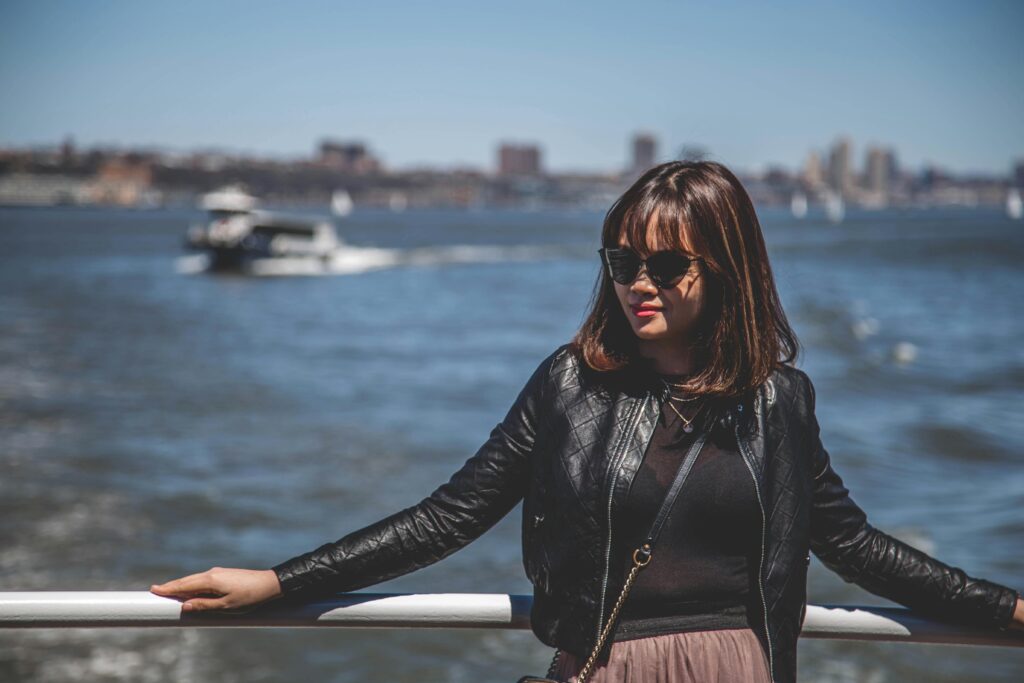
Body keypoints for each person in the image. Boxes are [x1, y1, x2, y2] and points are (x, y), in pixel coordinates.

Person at [151, 161, 1024, 683]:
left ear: (721, 269)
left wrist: (1004, 608)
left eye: (665, 262)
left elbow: (855, 544)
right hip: (605, 665)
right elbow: (449, 515)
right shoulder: (571, 386)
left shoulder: (779, 400)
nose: (636, 280)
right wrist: (279, 581)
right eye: (621, 259)